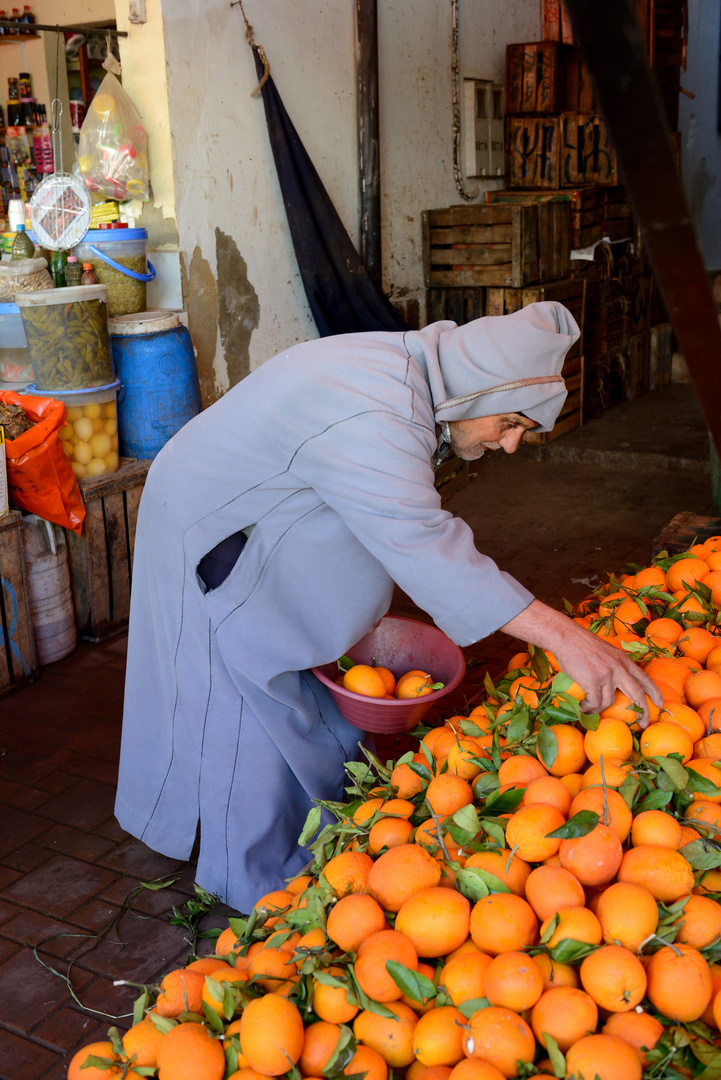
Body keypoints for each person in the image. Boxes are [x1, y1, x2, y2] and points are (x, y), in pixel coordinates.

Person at [115, 301, 660, 913]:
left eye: (521, 433)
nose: (509, 446)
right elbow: (424, 541)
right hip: (215, 525)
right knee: (240, 703)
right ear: (479, 391)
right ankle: (257, 893)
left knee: (298, 689)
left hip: (251, 513)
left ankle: (308, 833)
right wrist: (566, 637)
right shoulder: (377, 403)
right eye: (510, 423)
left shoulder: (418, 380)